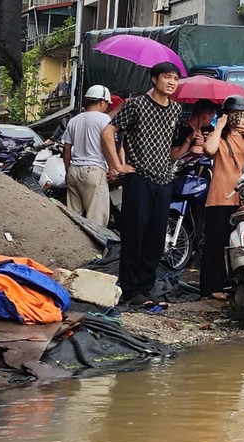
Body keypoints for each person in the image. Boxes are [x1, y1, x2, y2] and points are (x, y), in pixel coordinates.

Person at [101, 63, 188, 306]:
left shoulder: (175, 110)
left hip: (164, 181)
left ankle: (146, 288)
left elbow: (169, 151)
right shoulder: (137, 104)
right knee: (134, 235)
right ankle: (131, 290)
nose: (171, 82)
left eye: (175, 78)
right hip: (139, 179)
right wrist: (116, 165)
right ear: (154, 79)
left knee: (156, 237)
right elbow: (108, 132)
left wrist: (190, 142)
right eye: (166, 77)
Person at [198, 97, 244, 302]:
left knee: (241, 243)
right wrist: (220, 126)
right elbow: (209, 150)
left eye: (242, 113)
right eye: (234, 113)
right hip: (220, 196)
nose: (238, 117)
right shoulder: (219, 136)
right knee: (216, 243)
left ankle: (236, 282)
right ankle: (212, 286)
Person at [59, 85, 112, 226]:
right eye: (107, 104)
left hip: (74, 170)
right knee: (96, 220)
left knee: (73, 218)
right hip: (94, 171)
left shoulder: (74, 120)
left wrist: (67, 170)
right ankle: (92, 248)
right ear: (102, 102)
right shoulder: (104, 119)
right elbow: (108, 147)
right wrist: (113, 167)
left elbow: (67, 148)